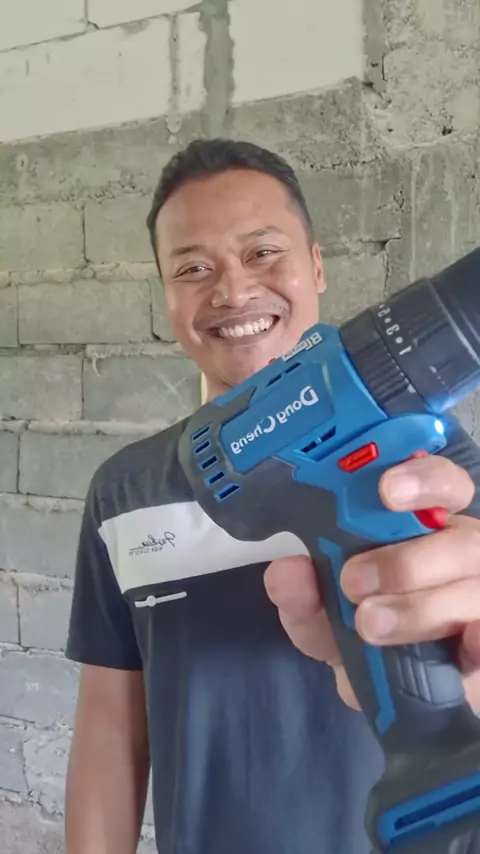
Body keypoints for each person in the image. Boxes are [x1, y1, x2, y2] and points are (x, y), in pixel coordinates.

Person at [64, 139, 480, 854]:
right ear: (167, 299)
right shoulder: (123, 493)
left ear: (316, 266)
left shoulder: (445, 473)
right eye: (193, 268)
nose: (232, 291)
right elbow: (110, 729)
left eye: (262, 252)